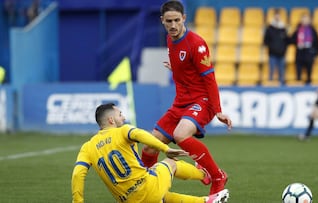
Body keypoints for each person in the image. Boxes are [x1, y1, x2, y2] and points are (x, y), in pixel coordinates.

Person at [141, 0, 232, 195]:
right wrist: (177, 69)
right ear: (162, 21)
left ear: (184, 18)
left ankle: (217, 176)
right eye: (168, 21)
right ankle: (145, 185)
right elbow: (185, 68)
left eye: (176, 20)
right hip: (180, 102)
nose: (173, 25)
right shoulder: (169, 39)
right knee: (150, 146)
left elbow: (210, 80)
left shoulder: (197, 44)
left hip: (202, 100)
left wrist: (217, 111)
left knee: (180, 135)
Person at [71, 103, 230, 203]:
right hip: (146, 187)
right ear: (111, 120)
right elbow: (142, 135)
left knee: (162, 196)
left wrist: (78, 201)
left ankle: (205, 201)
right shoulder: (123, 131)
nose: (123, 117)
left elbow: (78, 174)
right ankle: (205, 174)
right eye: (120, 114)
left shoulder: (87, 147)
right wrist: (166, 149)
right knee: (171, 164)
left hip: (128, 200)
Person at [290, 13, 318, 84]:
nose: (305, 21)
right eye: (303, 19)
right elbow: (292, 40)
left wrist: (316, 53)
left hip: (309, 53)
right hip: (300, 52)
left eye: (306, 19)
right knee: (298, 70)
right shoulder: (298, 29)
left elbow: (317, 42)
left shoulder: (313, 30)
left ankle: (309, 83)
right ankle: (298, 83)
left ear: (309, 20)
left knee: (309, 70)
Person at [263, 8, 288, 85]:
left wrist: (283, 49)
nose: (277, 17)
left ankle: (282, 85)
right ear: (274, 17)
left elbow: (286, 40)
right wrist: (271, 47)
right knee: (271, 71)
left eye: (279, 16)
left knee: (281, 71)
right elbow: (265, 40)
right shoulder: (270, 28)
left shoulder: (283, 28)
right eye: (276, 16)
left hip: (281, 54)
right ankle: (270, 85)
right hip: (272, 54)